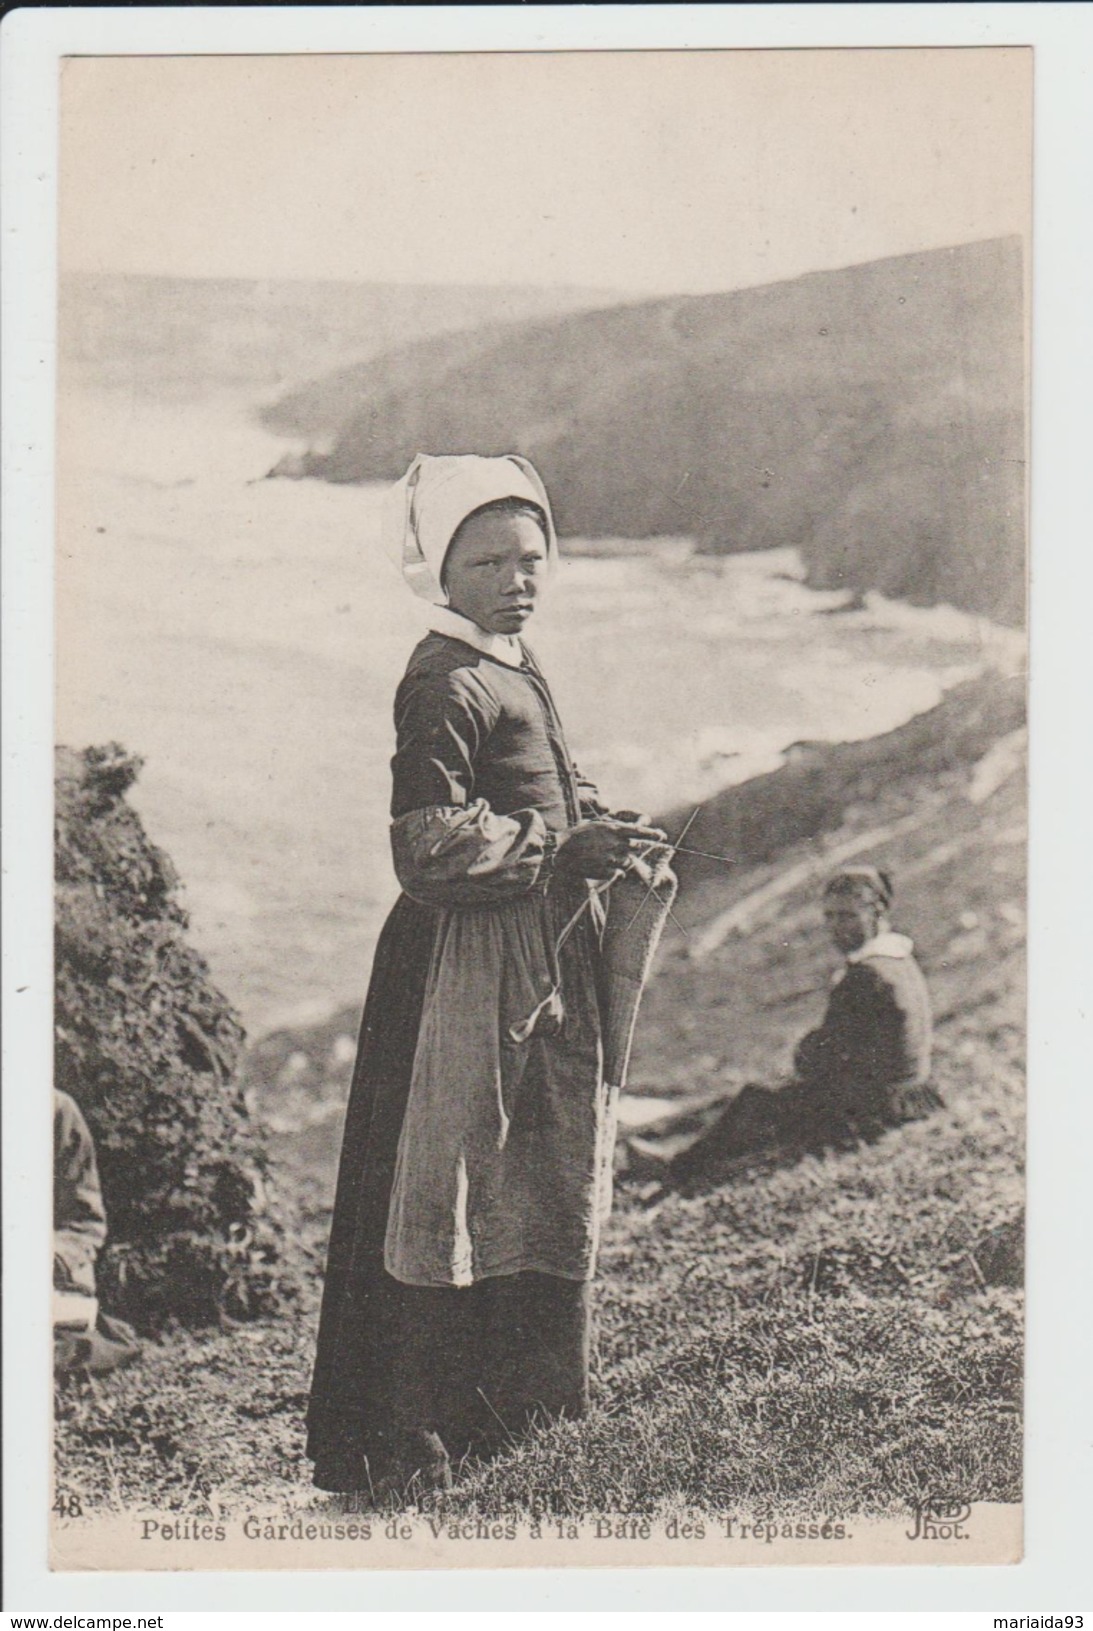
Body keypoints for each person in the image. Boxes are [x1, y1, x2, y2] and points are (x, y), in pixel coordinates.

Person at [306, 453, 667, 1496]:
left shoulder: (510, 659)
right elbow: (423, 843)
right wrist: (556, 852)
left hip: (527, 947)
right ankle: (410, 1429)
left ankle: (512, 1407)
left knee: (521, 1167)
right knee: (446, 1182)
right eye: (490, 560)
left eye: (532, 555)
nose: (520, 577)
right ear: (439, 570)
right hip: (459, 961)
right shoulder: (445, 678)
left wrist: (594, 824)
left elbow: (546, 777)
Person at [641, 865, 939, 1191]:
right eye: (830, 917)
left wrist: (806, 1052)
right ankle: (674, 1148)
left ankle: (677, 1169)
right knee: (761, 1098)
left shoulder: (866, 977)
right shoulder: (898, 960)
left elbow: (821, 1058)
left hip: (876, 1109)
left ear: (877, 912)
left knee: (754, 1102)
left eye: (847, 916)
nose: (837, 928)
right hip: (911, 1094)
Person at [54, 1090, 141, 1374]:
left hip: (43, 1275)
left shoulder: (56, 1110)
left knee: (80, 1344)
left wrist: (52, 1259)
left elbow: (83, 1222)